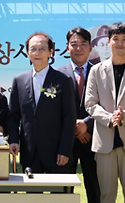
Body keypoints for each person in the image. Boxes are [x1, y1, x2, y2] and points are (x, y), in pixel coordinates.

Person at [85, 22, 125, 203]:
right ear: (108, 42)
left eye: (124, 39)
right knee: (106, 196)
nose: (120, 43)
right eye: (116, 39)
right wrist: (109, 118)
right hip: (105, 143)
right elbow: (90, 104)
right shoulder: (96, 71)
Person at [8, 32, 76, 173]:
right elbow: (13, 116)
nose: (37, 52)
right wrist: (13, 140)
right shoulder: (19, 80)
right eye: (33, 48)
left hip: (56, 152)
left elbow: (69, 118)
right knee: (32, 194)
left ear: (51, 52)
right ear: (27, 52)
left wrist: (65, 150)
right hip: (29, 151)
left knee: (57, 195)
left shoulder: (63, 80)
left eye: (42, 48)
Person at [54, 27, 101, 203]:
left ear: (90, 47)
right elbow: (53, 109)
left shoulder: (101, 72)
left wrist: (87, 124)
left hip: (93, 138)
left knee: (95, 187)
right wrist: (74, 127)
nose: (79, 48)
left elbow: (106, 103)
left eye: (83, 44)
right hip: (65, 142)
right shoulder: (57, 74)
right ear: (67, 48)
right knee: (63, 190)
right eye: (74, 44)